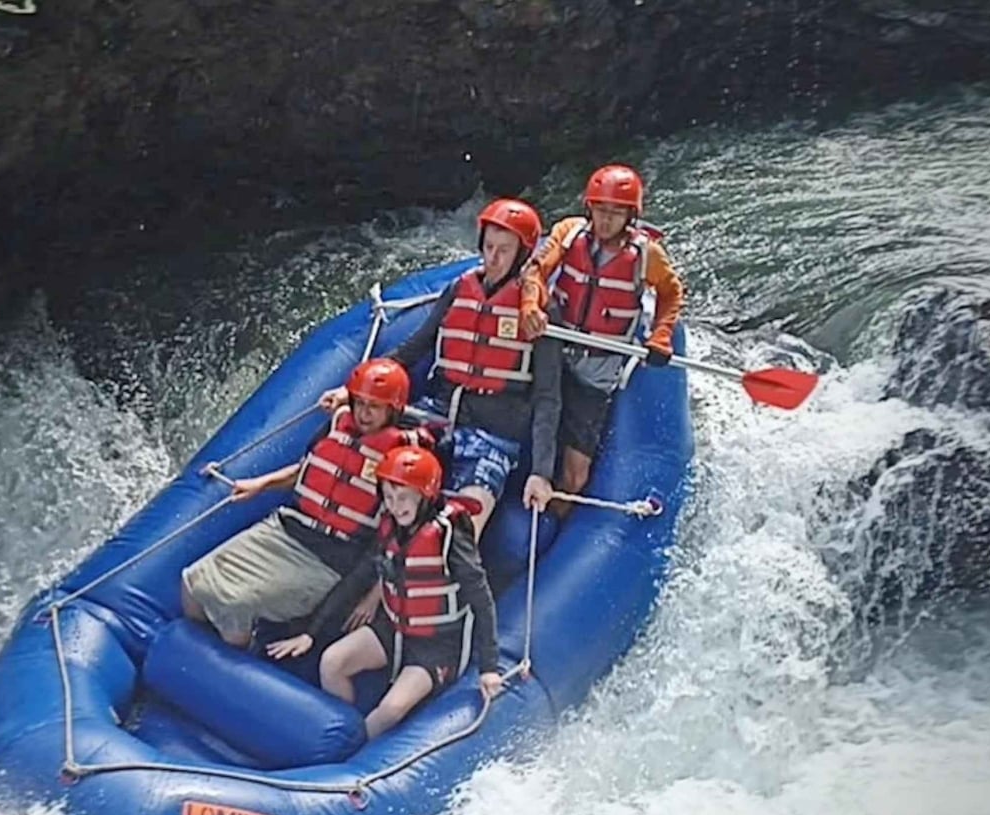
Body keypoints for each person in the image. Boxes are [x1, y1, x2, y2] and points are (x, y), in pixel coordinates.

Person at [321, 198, 562, 539]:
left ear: (522, 255)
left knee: (461, 531)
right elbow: (413, 349)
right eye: (489, 247)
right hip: (436, 415)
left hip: (494, 433)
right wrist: (352, 392)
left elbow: (548, 397)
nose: (493, 258)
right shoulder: (460, 289)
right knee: (371, 469)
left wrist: (541, 472)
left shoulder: (538, 312)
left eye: (504, 251)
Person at [181, 358, 433, 648]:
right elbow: (312, 468)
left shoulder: (406, 458)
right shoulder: (340, 422)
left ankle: (236, 661)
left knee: (234, 604)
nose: (363, 413)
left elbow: (401, 537)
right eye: (359, 402)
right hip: (286, 528)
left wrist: (372, 595)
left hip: (328, 558)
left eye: (373, 407)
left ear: (393, 409)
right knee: (192, 585)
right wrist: (261, 484)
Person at [268, 445, 504, 739]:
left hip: (438, 644)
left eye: (403, 497)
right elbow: (356, 580)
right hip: (394, 627)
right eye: (389, 497)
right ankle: (342, 733)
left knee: (391, 709)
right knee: (331, 662)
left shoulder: (450, 537)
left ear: (425, 495)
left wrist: (489, 667)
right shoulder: (390, 527)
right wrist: (311, 633)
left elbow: (481, 598)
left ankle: (355, 753)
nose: (395, 506)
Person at [519, 164, 686, 507]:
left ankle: (556, 519)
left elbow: (671, 293)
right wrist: (530, 305)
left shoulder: (646, 256)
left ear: (630, 215)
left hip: (599, 366)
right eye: (600, 210)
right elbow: (536, 271)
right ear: (588, 207)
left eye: (615, 212)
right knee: (527, 425)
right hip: (556, 350)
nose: (605, 220)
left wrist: (662, 334)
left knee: (576, 474)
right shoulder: (569, 233)